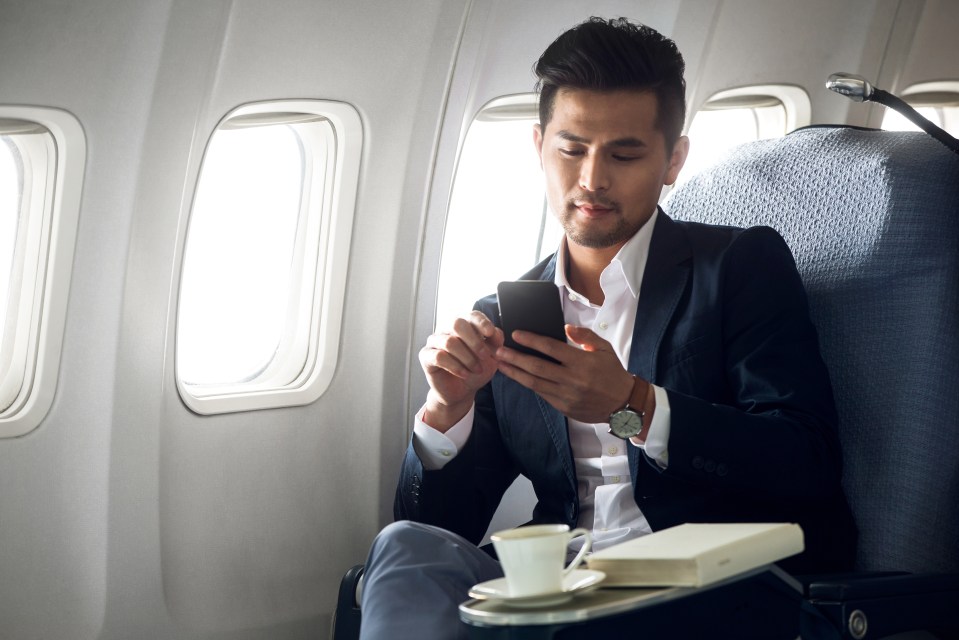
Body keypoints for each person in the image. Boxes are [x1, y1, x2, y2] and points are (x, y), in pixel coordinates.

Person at [358, 16, 856, 640]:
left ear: (673, 160)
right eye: (572, 149)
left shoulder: (734, 269)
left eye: (624, 154)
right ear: (539, 147)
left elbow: (805, 458)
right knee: (403, 548)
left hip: (710, 577)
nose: (592, 178)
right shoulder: (514, 311)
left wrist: (630, 405)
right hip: (566, 572)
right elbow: (444, 527)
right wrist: (446, 410)